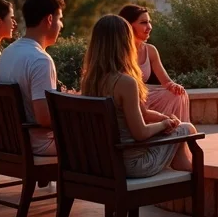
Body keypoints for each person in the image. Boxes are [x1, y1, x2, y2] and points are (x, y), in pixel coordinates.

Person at [81, 15, 197, 175]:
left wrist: (164, 119)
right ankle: (190, 177)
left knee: (176, 131)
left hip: (102, 161)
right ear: (125, 43)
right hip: (132, 164)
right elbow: (140, 133)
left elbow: (143, 113)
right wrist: (164, 126)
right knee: (187, 129)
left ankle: (182, 165)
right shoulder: (125, 82)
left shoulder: (90, 80)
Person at [0, 0, 65, 157]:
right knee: (98, 141)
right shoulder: (40, 60)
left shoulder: (8, 52)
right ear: (49, 19)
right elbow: (44, 118)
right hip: (38, 145)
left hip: (10, 141)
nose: (61, 25)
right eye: (60, 19)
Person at [117, 4, 190, 122]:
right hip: (127, 98)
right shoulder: (118, 52)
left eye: (149, 22)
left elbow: (166, 82)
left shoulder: (150, 50)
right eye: (143, 22)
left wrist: (174, 86)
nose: (149, 27)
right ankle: (166, 128)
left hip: (145, 96)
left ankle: (176, 136)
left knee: (178, 95)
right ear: (128, 25)